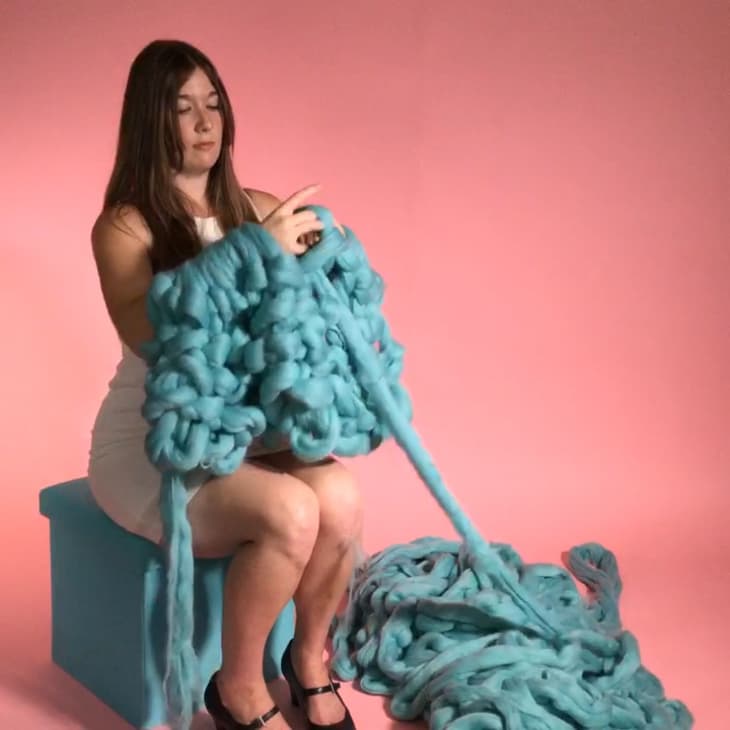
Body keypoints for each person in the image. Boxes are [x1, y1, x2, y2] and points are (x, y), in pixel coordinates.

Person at [88, 39, 363, 730]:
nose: (205, 122)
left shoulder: (259, 208)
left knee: (340, 497)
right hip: (155, 446)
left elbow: (303, 322)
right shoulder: (125, 227)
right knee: (290, 512)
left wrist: (325, 264)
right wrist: (252, 255)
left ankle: (307, 662)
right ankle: (238, 688)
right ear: (151, 121)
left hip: (247, 434)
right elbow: (152, 335)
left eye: (213, 104)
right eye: (183, 108)